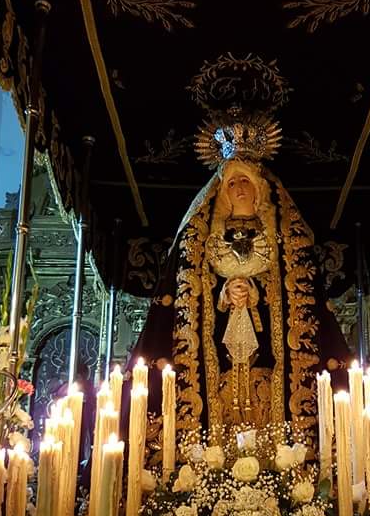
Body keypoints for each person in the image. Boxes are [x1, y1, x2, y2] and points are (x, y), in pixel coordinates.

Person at [130, 124, 349, 436]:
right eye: (232, 182)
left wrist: (257, 292)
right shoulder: (202, 241)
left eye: (246, 179)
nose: (239, 188)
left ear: (259, 187)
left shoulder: (286, 242)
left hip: (272, 364)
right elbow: (188, 296)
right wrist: (223, 293)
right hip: (215, 364)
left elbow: (296, 298)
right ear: (222, 191)